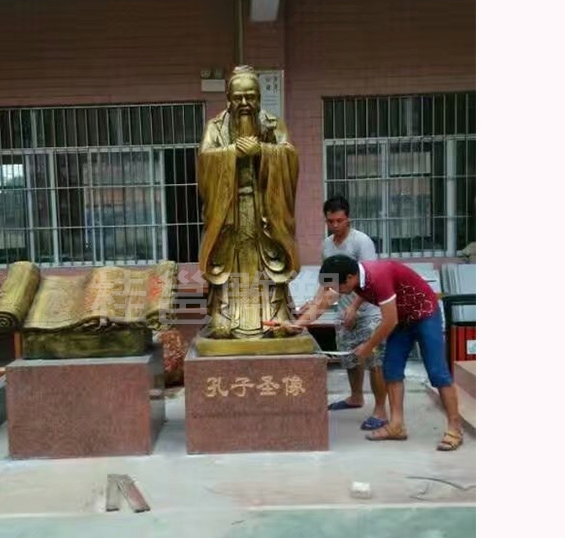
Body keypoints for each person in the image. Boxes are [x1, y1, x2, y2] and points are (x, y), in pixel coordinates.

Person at [286, 254, 463, 451]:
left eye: (338, 287)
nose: (337, 292)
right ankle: (396, 426)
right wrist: (297, 325)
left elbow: (389, 321)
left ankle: (455, 428)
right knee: (392, 370)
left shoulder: (379, 276)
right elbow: (324, 302)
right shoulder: (354, 276)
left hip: (425, 315)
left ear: (350, 278)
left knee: (438, 373)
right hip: (402, 320)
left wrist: (367, 346)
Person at [197, 65, 301, 339]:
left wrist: (263, 151)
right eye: (238, 97)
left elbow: (290, 157)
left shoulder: (273, 124)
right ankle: (224, 316)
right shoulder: (215, 127)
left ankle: (275, 315)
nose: (244, 103)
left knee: (272, 261)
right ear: (228, 98)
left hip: (265, 210)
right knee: (227, 262)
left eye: (251, 96)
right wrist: (232, 153)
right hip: (228, 211)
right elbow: (204, 162)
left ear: (259, 97)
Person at [298, 195, 388, 430]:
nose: (335, 225)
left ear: (348, 218)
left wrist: (355, 307)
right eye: (331, 221)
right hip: (342, 308)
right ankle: (356, 397)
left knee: (374, 359)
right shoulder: (326, 245)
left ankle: (380, 410)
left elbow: (371, 278)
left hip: (369, 310)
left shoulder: (361, 242)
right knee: (349, 357)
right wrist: (314, 304)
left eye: (340, 220)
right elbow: (327, 281)